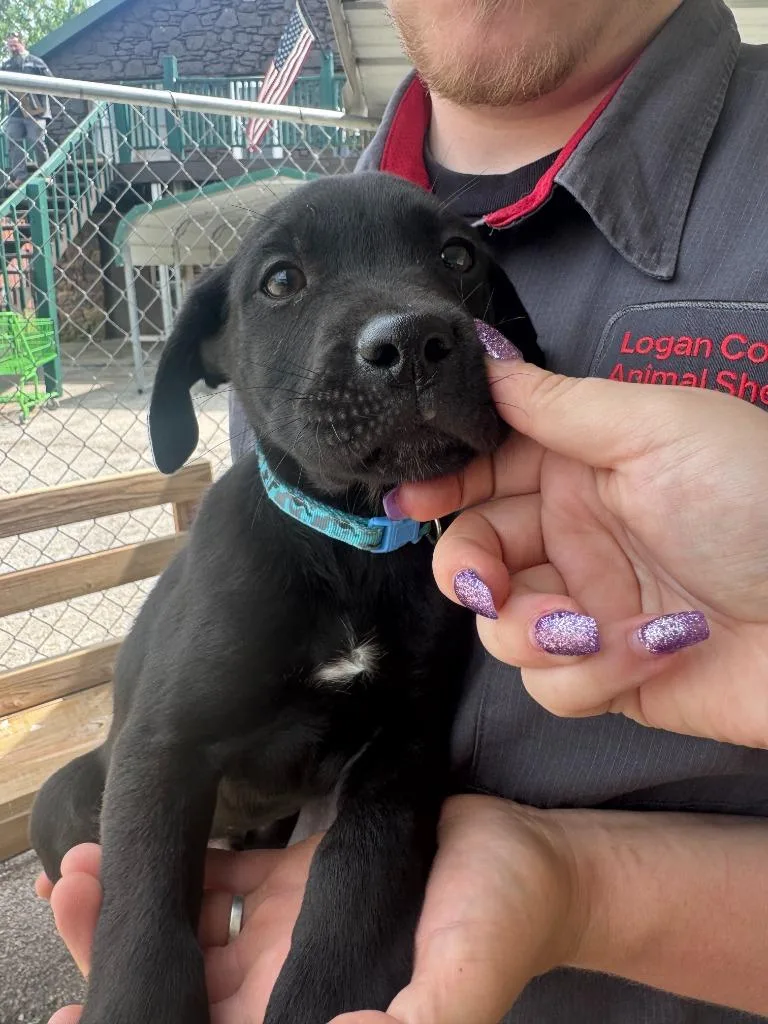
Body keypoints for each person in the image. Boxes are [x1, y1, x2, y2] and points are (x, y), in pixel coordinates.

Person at [42, 0, 768, 1021]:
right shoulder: (307, 282)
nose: (403, 325)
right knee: (79, 817)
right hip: (259, 891)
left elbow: (399, 768)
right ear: (212, 356)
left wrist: (579, 886)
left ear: (508, 332)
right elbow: (175, 745)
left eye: (455, 267)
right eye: (287, 281)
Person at [1, 32, 52, 186]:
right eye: (10, 45)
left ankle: (46, 174)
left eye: (15, 44)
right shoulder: (7, 65)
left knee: (36, 140)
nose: (12, 48)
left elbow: (51, 82)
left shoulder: (36, 62)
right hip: (15, 111)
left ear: (22, 44)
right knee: (12, 140)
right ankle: (20, 177)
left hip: (37, 111)